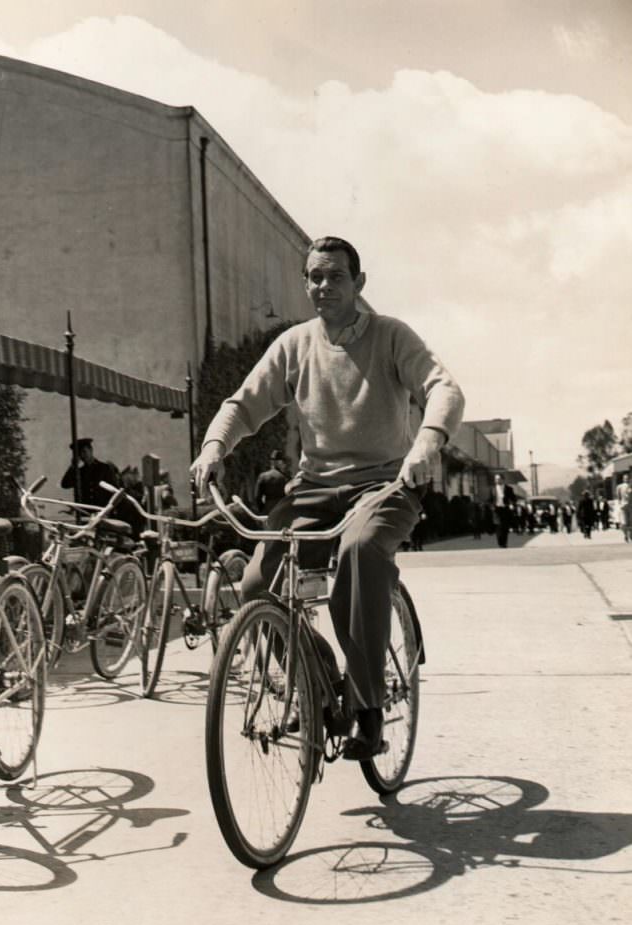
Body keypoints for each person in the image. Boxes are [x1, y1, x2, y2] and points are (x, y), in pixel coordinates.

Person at [191, 235, 464, 760]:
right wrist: (213, 448)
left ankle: (367, 705)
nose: (323, 286)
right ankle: (317, 678)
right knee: (254, 585)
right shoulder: (295, 345)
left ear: (359, 283)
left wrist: (427, 443)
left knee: (360, 555)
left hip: (385, 484)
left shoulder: (390, 336)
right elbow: (244, 403)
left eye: (336, 276)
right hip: (313, 489)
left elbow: (443, 388)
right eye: (314, 277)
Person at [60, 437, 121, 507]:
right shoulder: (79, 472)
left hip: (101, 510)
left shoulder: (104, 468)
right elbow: (65, 484)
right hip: (85, 512)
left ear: (91, 450)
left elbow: (114, 491)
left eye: (84, 451)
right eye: (79, 453)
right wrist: (73, 466)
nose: (82, 455)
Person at [253, 449, 291, 516]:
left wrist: (262, 509)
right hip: (283, 509)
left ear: (272, 462)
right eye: (283, 462)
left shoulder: (263, 476)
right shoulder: (286, 478)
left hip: (269, 510)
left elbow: (257, 497)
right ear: (280, 462)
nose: (284, 465)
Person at [491, 472, 516, 548]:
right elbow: (490, 499)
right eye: (496, 479)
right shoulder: (492, 489)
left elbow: (513, 499)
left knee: (505, 526)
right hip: (497, 509)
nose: (497, 480)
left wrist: (512, 504)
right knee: (498, 525)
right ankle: (500, 542)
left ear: (503, 479)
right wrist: (491, 506)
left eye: (498, 479)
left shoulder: (509, 489)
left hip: (505, 509)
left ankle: (504, 543)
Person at [617, 472, 631, 543]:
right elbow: (618, 497)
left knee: (628, 522)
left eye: (627, 478)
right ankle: (626, 535)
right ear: (623, 479)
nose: (627, 479)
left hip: (629, 506)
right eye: (625, 478)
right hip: (624, 506)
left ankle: (629, 535)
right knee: (624, 523)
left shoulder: (630, 486)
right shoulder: (619, 487)